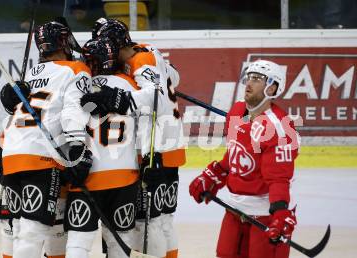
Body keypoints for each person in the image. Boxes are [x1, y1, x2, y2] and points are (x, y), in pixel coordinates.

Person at [81, 18, 185, 258]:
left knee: (153, 221)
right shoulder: (147, 51)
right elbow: (174, 78)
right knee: (162, 219)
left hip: (158, 148)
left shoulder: (139, 60)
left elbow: (156, 96)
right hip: (168, 144)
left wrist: (123, 99)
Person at [0, 18, 92, 258]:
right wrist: (77, 147)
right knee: (32, 231)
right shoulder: (76, 69)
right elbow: (73, 110)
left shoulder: (31, 74)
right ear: (63, 43)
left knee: (18, 227)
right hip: (40, 156)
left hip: (9, 153)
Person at [189, 59, 299, 258]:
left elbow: (279, 178)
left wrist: (280, 213)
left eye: (257, 79)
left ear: (272, 88)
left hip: (265, 213)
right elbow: (236, 153)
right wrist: (215, 174)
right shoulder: (237, 112)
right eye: (249, 77)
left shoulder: (279, 128)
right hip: (235, 208)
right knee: (225, 254)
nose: (249, 83)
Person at [63, 37, 140, 258]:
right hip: (125, 176)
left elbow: (69, 117)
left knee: (78, 242)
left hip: (88, 174)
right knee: (120, 244)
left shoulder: (79, 84)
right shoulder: (130, 84)